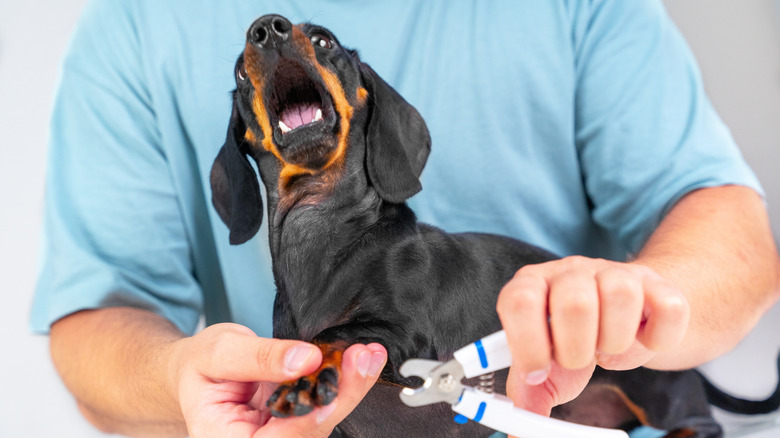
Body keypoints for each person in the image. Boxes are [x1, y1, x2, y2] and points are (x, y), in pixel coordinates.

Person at [32, 0, 779, 437]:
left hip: (600, 389)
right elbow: (96, 321)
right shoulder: (134, 26)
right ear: (250, 139)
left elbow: (732, 235)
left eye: (320, 46)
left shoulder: (403, 267)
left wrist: (642, 301)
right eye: (248, 62)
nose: (272, 37)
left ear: (365, 108)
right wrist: (174, 375)